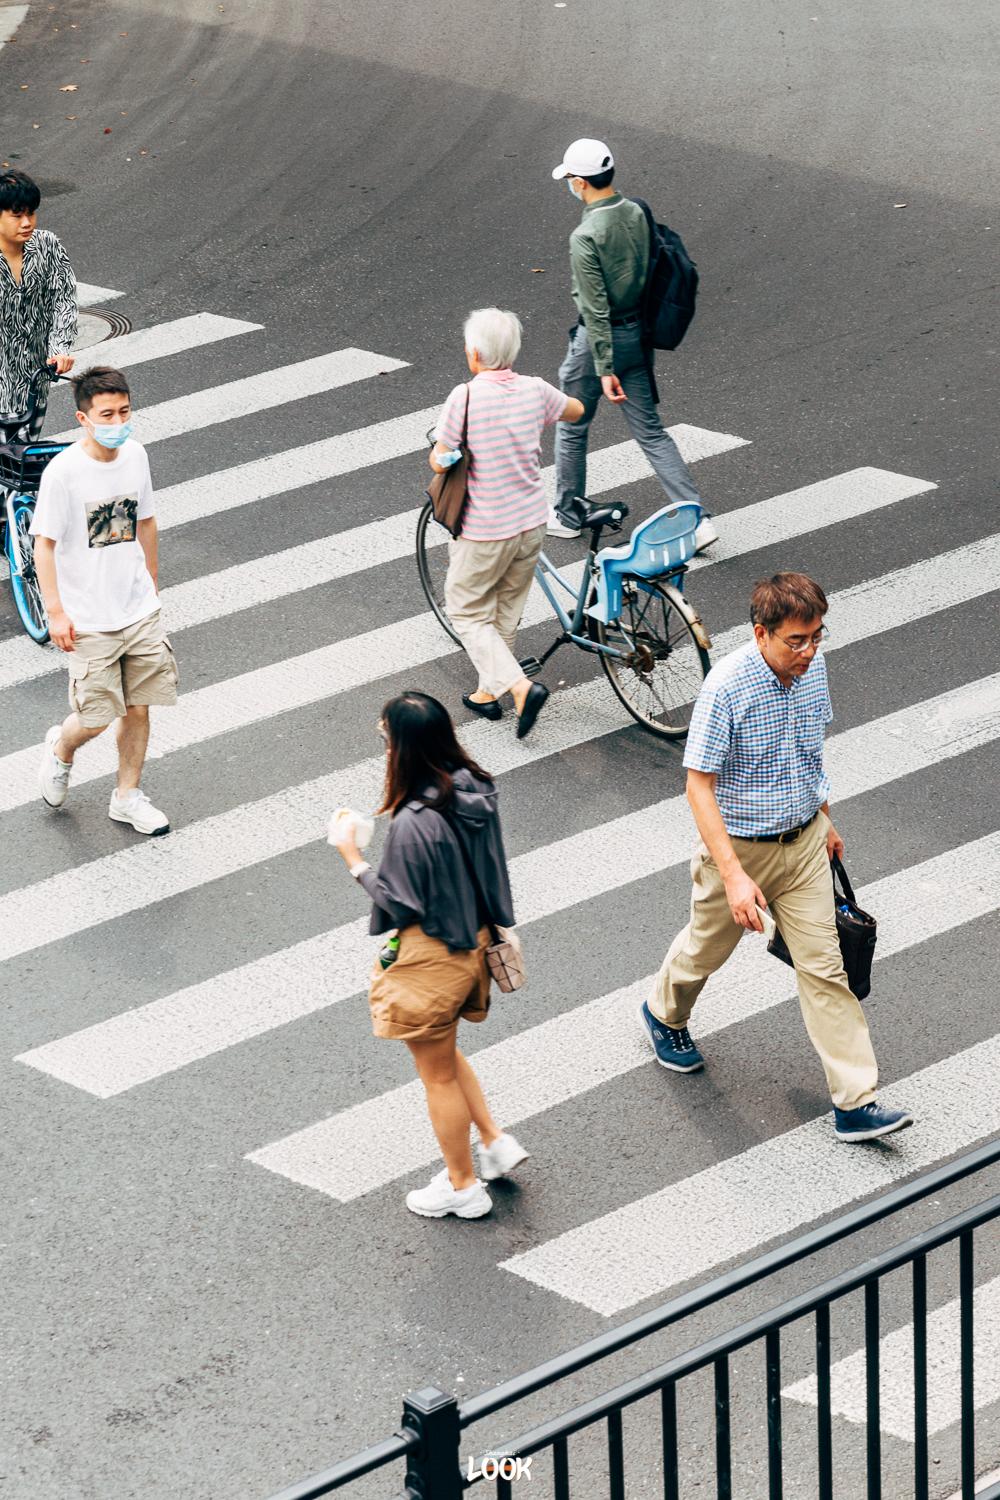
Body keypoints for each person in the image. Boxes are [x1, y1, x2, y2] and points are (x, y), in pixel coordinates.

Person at [638, 572, 914, 1143]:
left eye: (817, 636)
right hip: (741, 853)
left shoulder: (814, 672)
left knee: (827, 972)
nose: (809, 651)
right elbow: (698, 786)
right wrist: (735, 878)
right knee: (706, 948)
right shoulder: (726, 689)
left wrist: (826, 817)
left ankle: (855, 1102)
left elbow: (809, 752)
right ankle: (664, 1012)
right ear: (761, 633)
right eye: (796, 640)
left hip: (806, 843)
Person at [330, 691, 529, 1219]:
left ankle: (462, 1187)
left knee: (435, 1074)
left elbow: (398, 903)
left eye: (384, 736)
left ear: (403, 747)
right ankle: (491, 1141)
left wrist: (351, 856)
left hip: (433, 956)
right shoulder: (474, 787)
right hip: (475, 942)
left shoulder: (415, 821)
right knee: (444, 1055)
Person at [548, 139, 717, 549]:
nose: (569, 184)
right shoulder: (636, 212)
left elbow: (595, 307)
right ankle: (697, 519)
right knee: (652, 433)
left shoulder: (585, 236)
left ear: (581, 182)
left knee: (572, 424)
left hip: (598, 344)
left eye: (570, 178)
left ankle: (568, 513)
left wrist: (605, 369)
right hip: (638, 334)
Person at [32, 366, 178, 835]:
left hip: (137, 609)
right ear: (83, 418)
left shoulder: (136, 456)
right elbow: (44, 544)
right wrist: (55, 611)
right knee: (95, 717)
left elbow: (147, 521)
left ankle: (127, 796)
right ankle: (62, 749)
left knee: (139, 706)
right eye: (107, 414)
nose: (118, 421)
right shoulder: (64, 473)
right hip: (89, 618)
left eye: (124, 411)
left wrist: (150, 580)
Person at [431, 307, 584, 738]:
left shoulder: (464, 396)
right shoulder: (535, 390)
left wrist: (443, 457)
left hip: (485, 528)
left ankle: (518, 687)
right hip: (531, 523)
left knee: (466, 611)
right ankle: (488, 693)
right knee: (505, 610)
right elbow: (575, 410)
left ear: (475, 354)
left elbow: (441, 458)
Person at [0, 168, 77, 438]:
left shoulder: (48, 246)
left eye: (30, 213)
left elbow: (64, 299)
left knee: (19, 471)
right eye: (17, 214)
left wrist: (60, 348)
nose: (26, 222)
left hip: (33, 386)